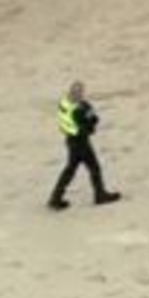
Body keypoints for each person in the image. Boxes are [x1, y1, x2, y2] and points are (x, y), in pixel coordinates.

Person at [47, 81, 121, 211]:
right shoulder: (80, 108)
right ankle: (99, 194)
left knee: (71, 169)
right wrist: (89, 123)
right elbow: (91, 121)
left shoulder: (66, 105)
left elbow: (91, 119)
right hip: (80, 141)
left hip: (71, 140)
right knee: (93, 168)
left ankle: (56, 197)